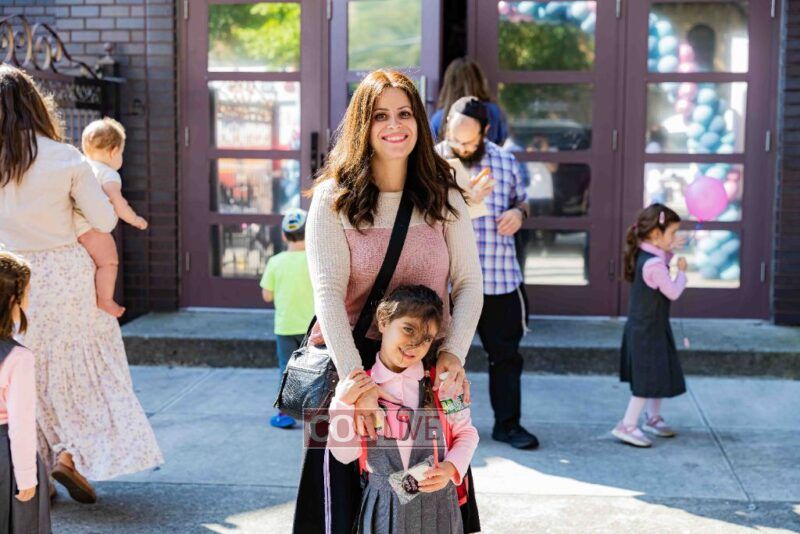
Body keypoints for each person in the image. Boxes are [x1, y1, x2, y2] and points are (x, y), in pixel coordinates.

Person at [296, 69, 483, 534]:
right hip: (351, 368)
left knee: (429, 496)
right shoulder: (332, 198)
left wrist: (453, 355)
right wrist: (355, 384)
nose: (394, 125)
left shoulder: (444, 193)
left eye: (404, 113)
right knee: (343, 507)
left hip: (425, 368)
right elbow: (328, 296)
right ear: (363, 124)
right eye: (380, 116)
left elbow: (468, 284)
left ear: (419, 120)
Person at [0, 64, 163, 504]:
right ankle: (68, 456)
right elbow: (105, 220)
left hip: (9, 276)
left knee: (23, 374)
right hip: (64, 275)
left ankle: (31, 471)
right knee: (81, 371)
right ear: (35, 105)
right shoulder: (65, 157)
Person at [327, 285, 479, 533]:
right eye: (408, 329)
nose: (415, 344)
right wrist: (341, 405)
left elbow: (467, 432)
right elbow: (345, 456)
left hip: (439, 505)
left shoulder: (444, 383)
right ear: (383, 321)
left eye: (426, 338)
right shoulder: (359, 391)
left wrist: (452, 467)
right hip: (382, 508)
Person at [435, 96, 539, 450]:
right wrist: (465, 200)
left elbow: (522, 199)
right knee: (440, 361)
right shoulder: (431, 161)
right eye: (455, 140)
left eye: (469, 142)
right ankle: (442, 430)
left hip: (498, 277)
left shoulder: (504, 160)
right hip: (446, 281)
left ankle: (508, 425)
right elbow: (419, 215)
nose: (461, 148)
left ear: (485, 132)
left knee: (505, 358)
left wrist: (519, 214)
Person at [613, 204, 687, 448]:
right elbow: (673, 292)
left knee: (657, 372)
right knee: (646, 380)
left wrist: (670, 248)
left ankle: (653, 418)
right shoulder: (654, 265)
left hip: (649, 327)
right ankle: (627, 425)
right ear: (656, 234)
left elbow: (660, 257)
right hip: (647, 331)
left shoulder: (645, 253)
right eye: (672, 233)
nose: (675, 237)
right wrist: (682, 273)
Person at [0, 251, 51, 533]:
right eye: (26, 293)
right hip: (5, 459)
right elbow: (20, 425)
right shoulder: (18, 358)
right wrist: (27, 477)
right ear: (11, 300)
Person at [77, 118, 149, 318]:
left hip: (72, 228)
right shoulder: (108, 174)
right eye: (122, 153)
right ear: (113, 151)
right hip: (92, 230)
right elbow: (117, 202)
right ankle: (106, 300)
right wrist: (134, 219)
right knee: (108, 262)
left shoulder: (81, 167)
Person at [260, 208, 314, 429]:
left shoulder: (275, 262)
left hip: (285, 327)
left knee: (286, 369)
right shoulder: (314, 260)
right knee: (314, 369)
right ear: (309, 232)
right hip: (312, 328)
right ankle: (315, 414)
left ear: (283, 235)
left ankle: (285, 414)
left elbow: (267, 295)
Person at [430, 57, 508, 146]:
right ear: (480, 81)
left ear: (449, 84)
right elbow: (502, 141)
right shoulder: (494, 111)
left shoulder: (440, 117)